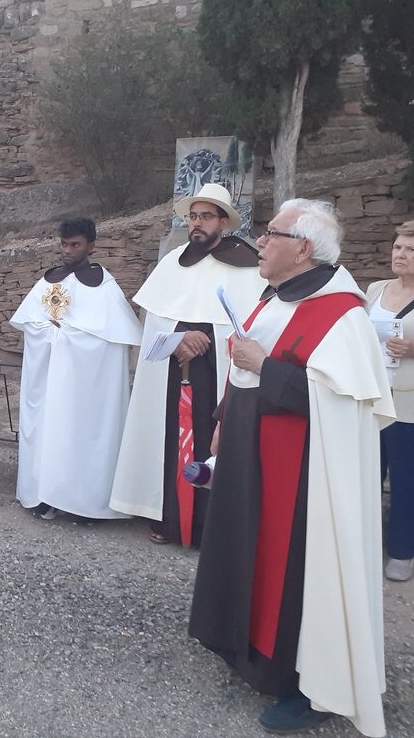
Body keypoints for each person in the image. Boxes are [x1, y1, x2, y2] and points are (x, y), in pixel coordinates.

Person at [189, 199, 393, 737]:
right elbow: (246, 367)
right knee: (245, 542)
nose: (259, 242)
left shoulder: (342, 313)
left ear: (303, 247)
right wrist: (220, 417)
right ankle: (247, 648)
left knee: (298, 566)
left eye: (270, 234)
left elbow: (344, 403)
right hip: (247, 448)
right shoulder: (274, 297)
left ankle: (309, 683)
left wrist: (266, 366)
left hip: (307, 476)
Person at [109, 183, 265, 546]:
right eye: (193, 216)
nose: (197, 223)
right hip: (171, 375)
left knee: (212, 446)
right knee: (168, 442)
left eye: (206, 216)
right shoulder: (173, 262)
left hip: (216, 375)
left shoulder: (247, 265)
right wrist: (180, 337)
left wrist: (204, 338)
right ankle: (168, 516)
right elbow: (155, 322)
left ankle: (209, 523)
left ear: (223, 221)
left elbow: (251, 324)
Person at [10, 216, 142, 520]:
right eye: (64, 244)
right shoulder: (48, 280)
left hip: (82, 387)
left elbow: (111, 342)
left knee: (76, 436)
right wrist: (48, 331)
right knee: (46, 434)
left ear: (91, 246)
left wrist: (67, 334)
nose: (67, 251)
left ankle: (82, 502)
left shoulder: (104, 287)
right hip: (46, 382)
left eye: (75, 245)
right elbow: (31, 323)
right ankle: (42, 494)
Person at [366, 219, 414, 582]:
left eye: (411, 250)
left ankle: (401, 551)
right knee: (367, 473)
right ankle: (365, 545)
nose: (402, 254)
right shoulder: (375, 289)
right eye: (399, 247)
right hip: (372, 396)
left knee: (405, 479)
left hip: (409, 404)